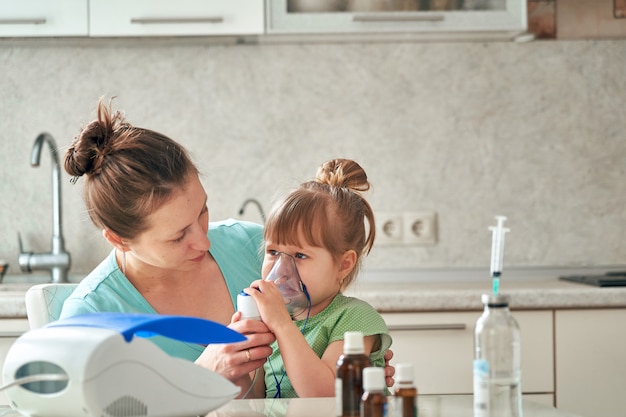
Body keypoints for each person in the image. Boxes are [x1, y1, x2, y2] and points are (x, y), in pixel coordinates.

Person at [60, 98, 395, 396]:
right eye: (178, 236)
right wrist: (200, 377)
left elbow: (327, 347)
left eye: (203, 212)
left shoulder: (251, 246)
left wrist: (355, 373)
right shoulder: (90, 318)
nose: (204, 242)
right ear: (119, 239)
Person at [242, 158, 392, 398]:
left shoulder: (354, 319)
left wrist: (281, 325)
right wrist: (243, 353)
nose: (281, 269)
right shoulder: (271, 321)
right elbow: (255, 401)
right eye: (273, 252)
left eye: (300, 255)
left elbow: (326, 396)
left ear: (343, 265)